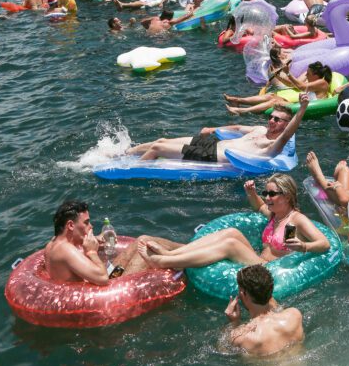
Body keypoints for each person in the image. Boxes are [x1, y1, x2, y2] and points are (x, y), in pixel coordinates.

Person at [138, 173, 330, 269]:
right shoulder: (276, 215)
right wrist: (252, 193)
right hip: (259, 260)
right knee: (232, 233)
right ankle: (171, 253)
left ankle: (165, 262)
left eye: (272, 194)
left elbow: (324, 244)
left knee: (230, 244)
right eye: (266, 193)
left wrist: (303, 246)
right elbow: (259, 207)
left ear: (287, 196)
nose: (268, 197)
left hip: (270, 271)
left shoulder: (297, 219)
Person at [127, 93, 310, 162]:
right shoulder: (259, 129)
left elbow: (287, 135)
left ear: (286, 125)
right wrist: (212, 129)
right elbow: (237, 128)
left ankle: (131, 170)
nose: (271, 121)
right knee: (161, 140)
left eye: (277, 120)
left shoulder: (274, 145)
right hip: (213, 145)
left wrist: (302, 108)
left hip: (213, 157)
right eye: (271, 117)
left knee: (158, 148)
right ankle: (125, 154)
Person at [44, 200, 179, 286]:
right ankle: (186, 257)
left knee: (141, 239)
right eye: (86, 223)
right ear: (70, 225)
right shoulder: (66, 251)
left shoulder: (53, 244)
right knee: (145, 247)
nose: (90, 226)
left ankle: (185, 250)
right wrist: (91, 251)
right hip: (102, 293)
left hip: (95, 283)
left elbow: (73, 253)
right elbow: (103, 279)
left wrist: (96, 239)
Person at [224, 264, 304, 357]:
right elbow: (277, 309)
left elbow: (223, 349)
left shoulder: (241, 337)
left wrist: (234, 323)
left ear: (243, 293)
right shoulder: (294, 315)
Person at [224, 62, 332, 115]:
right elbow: (293, 85)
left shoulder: (322, 83)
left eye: (308, 73)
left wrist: (288, 73)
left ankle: (241, 111)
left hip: (312, 108)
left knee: (274, 101)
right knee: (272, 95)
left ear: (316, 75)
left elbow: (301, 86)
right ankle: (237, 100)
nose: (306, 75)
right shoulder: (314, 81)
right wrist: (278, 76)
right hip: (304, 104)